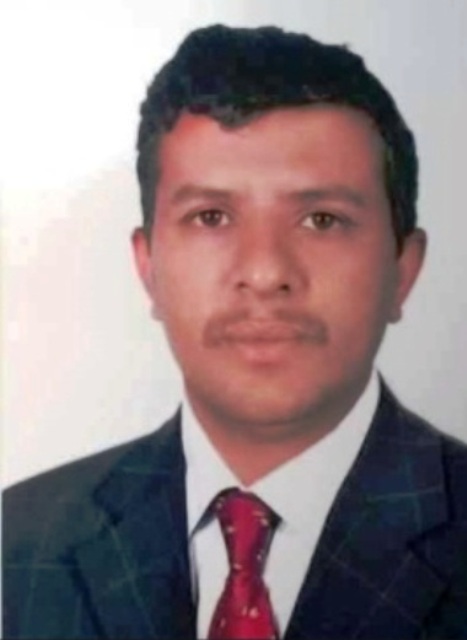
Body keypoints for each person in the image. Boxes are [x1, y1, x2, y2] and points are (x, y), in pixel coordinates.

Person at [3, 24, 467, 640]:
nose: (265, 272)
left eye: (321, 219)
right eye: (211, 217)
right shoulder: (18, 544)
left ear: (403, 270)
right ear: (148, 268)